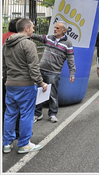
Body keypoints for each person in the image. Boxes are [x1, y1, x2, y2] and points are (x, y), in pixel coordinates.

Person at [3, 18, 48, 154]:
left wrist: (7, 80)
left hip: (10, 84)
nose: (33, 30)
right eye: (32, 27)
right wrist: (41, 83)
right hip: (26, 85)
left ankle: (6, 143)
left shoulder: (6, 44)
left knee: (10, 114)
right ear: (26, 29)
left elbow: (4, 66)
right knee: (26, 114)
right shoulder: (28, 45)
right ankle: (24, 144)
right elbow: (33, 67)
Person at [32, 21, 75, 123]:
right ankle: (38, 114)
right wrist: (28, 34)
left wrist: (72, 73)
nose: (55, 29)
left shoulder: (67, 44)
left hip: (54, 72)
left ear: (64, 30)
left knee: (52, 94)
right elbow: (38, 37)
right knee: (39, 92)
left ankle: (52, 114)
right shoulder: (49, 38)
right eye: (55, 27)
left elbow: (71, 59)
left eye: (58, 28)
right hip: (41, 70)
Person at [2, 17, 21, 138]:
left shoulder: (3, 37)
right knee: (16, 107)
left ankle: (6, 134)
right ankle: (17, 132)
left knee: (5, 106)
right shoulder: (18, 41)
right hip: (15, 79)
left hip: (4, 76)